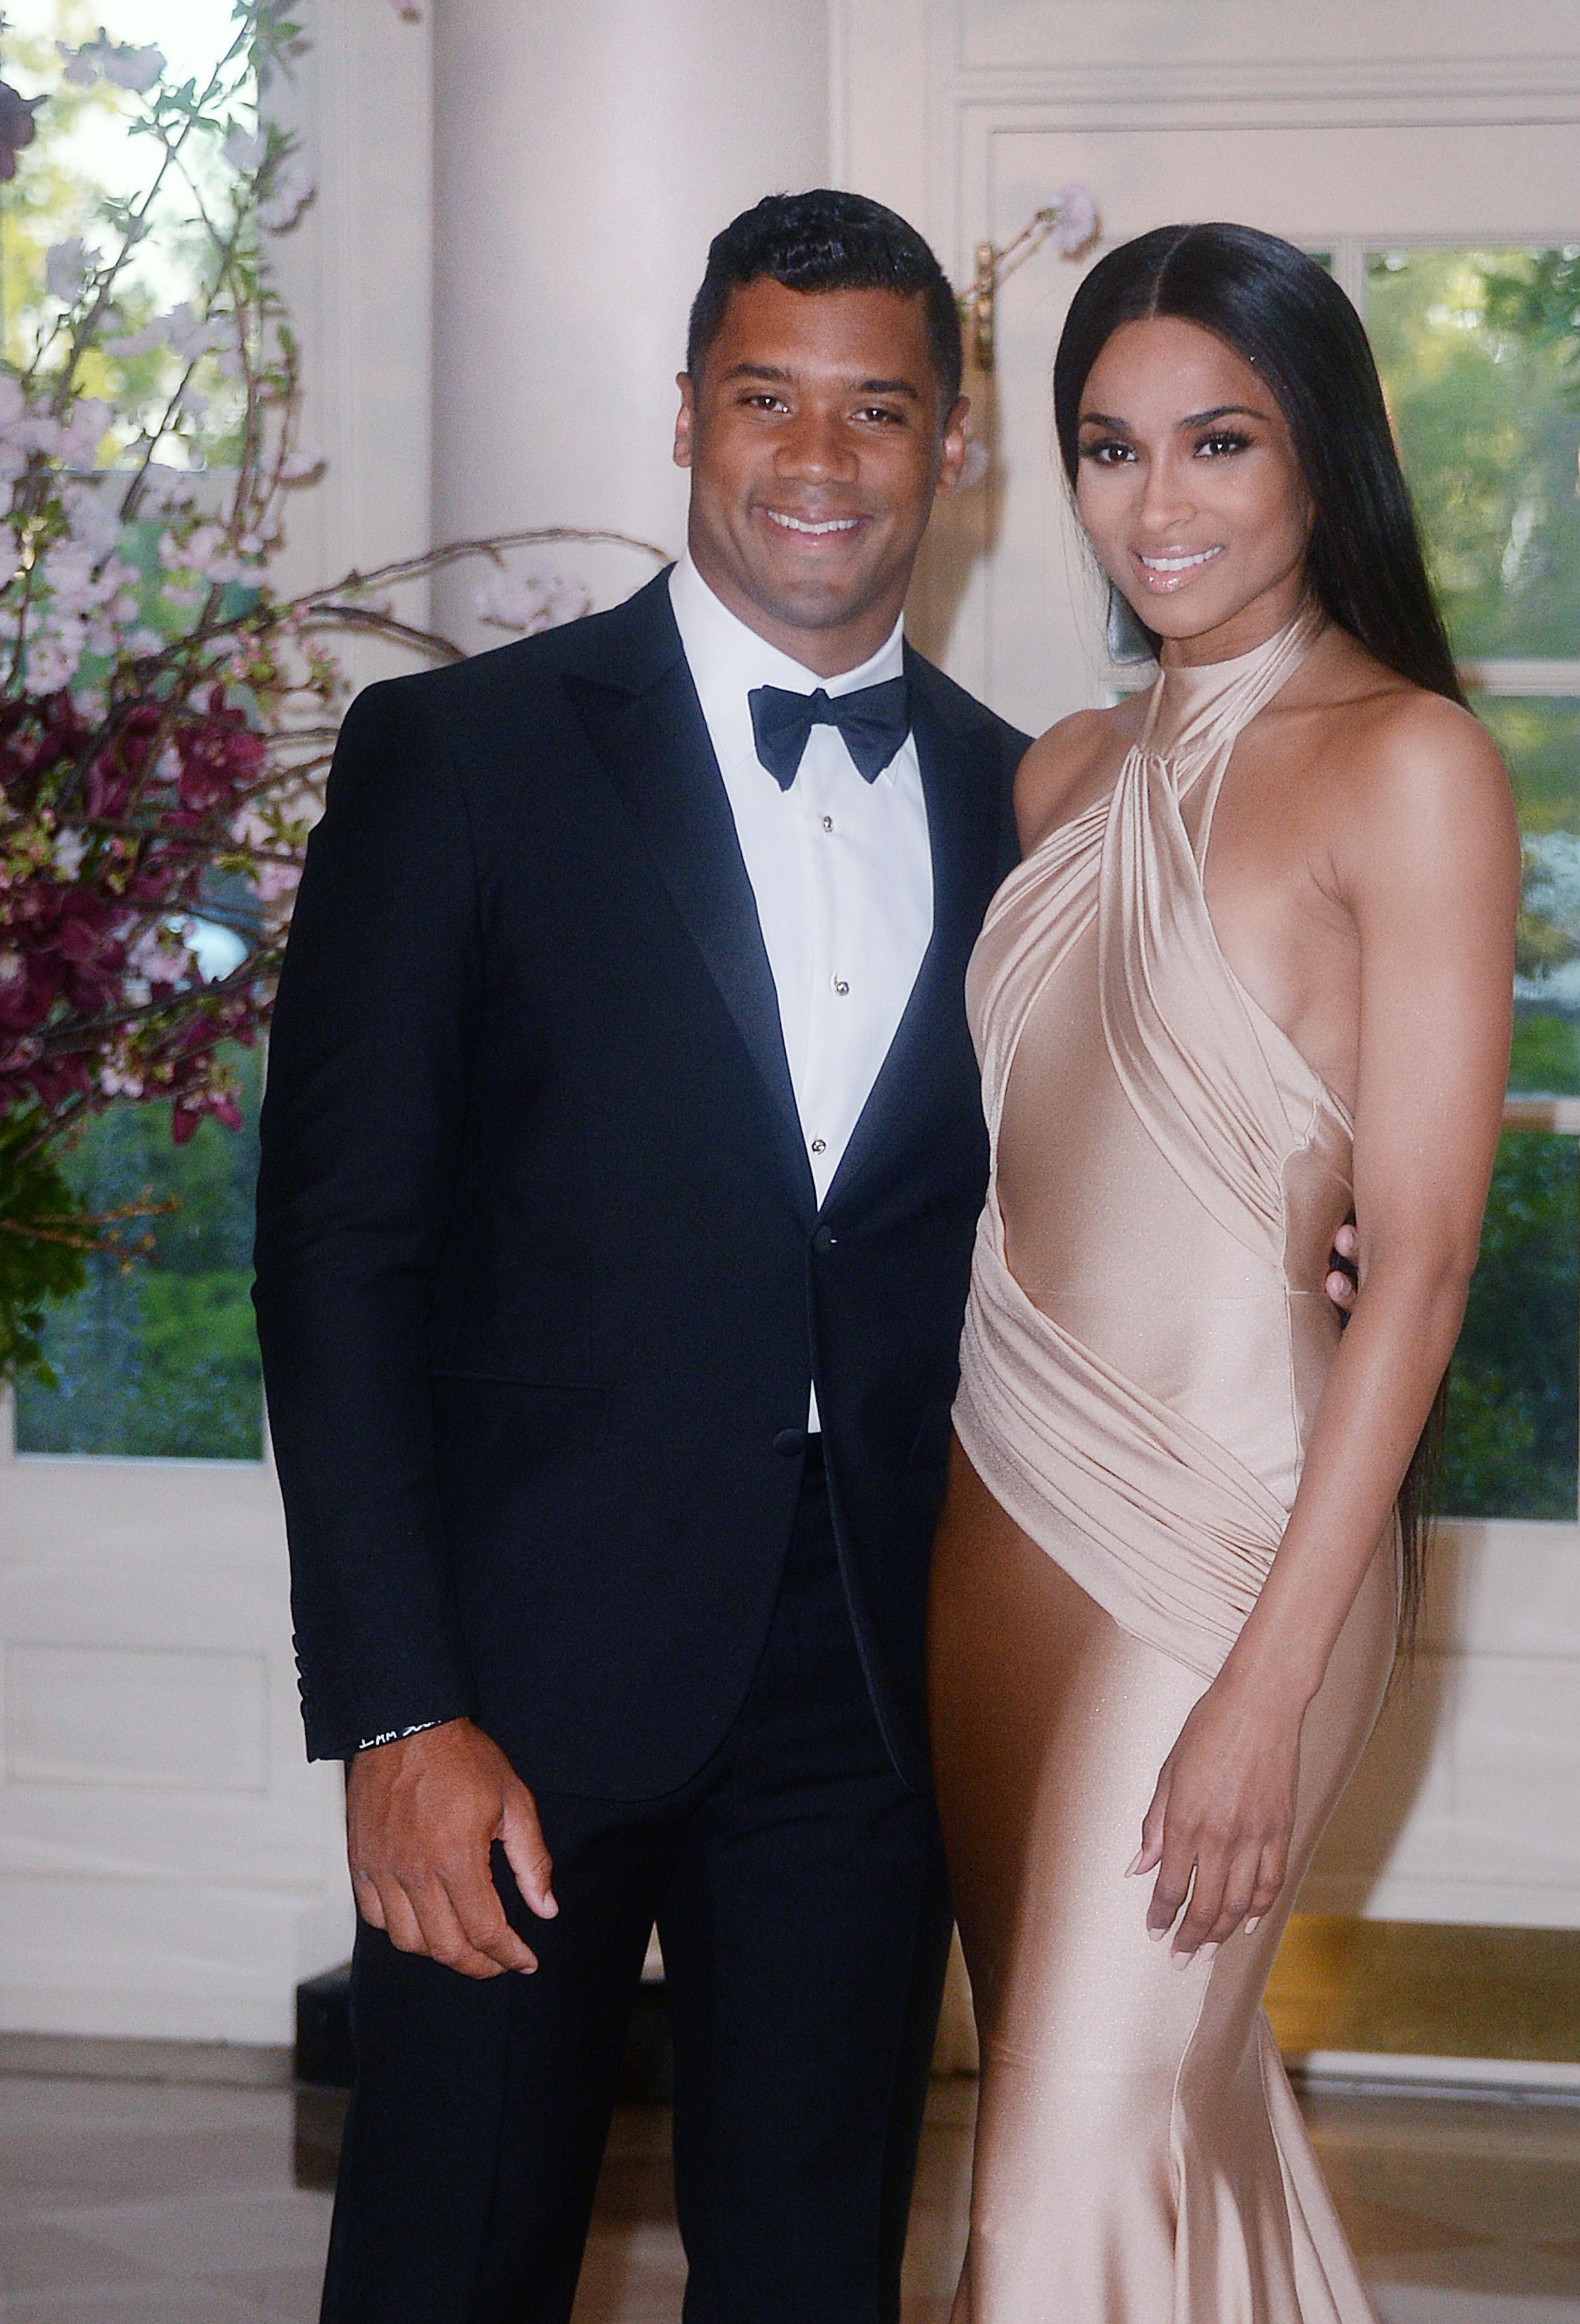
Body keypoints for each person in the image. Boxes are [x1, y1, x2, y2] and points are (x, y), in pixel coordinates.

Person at [255, 190, 1023, 2324]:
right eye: (766, 396)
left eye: (877, 410)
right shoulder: (465, 759)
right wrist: (397, 1703)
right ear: (685, 413)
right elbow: (337, 1253)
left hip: (872, 1677)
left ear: (949, 451)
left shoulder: (1023, 806)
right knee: (449, 2255)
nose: (817, 457)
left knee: (809, 2274)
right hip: (515, 1673)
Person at [928, 222, 1518, 2320]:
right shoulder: (1055, 777)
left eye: (1213, 442)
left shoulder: (1408, 764)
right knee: (1145, 2121)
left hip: (1233, 1552)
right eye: (1105, 446)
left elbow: (1422, 1264)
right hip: (996, 1525)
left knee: (1064, 2177)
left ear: (1315, 457)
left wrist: (1264, 1690)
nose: (1151, 504)